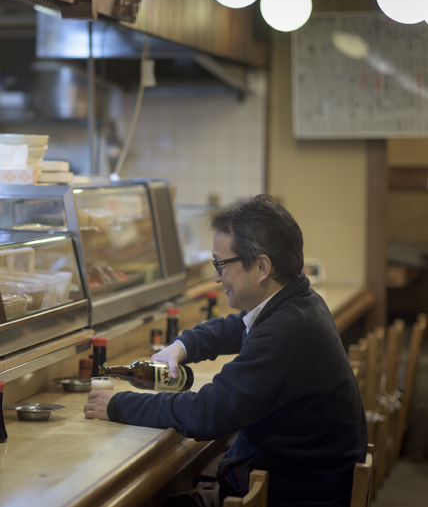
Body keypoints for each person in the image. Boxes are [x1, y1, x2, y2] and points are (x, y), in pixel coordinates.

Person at [84, 195, 367, 507]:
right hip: (300, 483)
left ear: (261, 267)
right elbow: (238, 327)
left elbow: (207, 413)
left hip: (290, 496)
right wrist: (183, 346)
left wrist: (117, 405)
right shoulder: (300, 301)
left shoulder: (285, 333)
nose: (217, 277)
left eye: (221, 265)